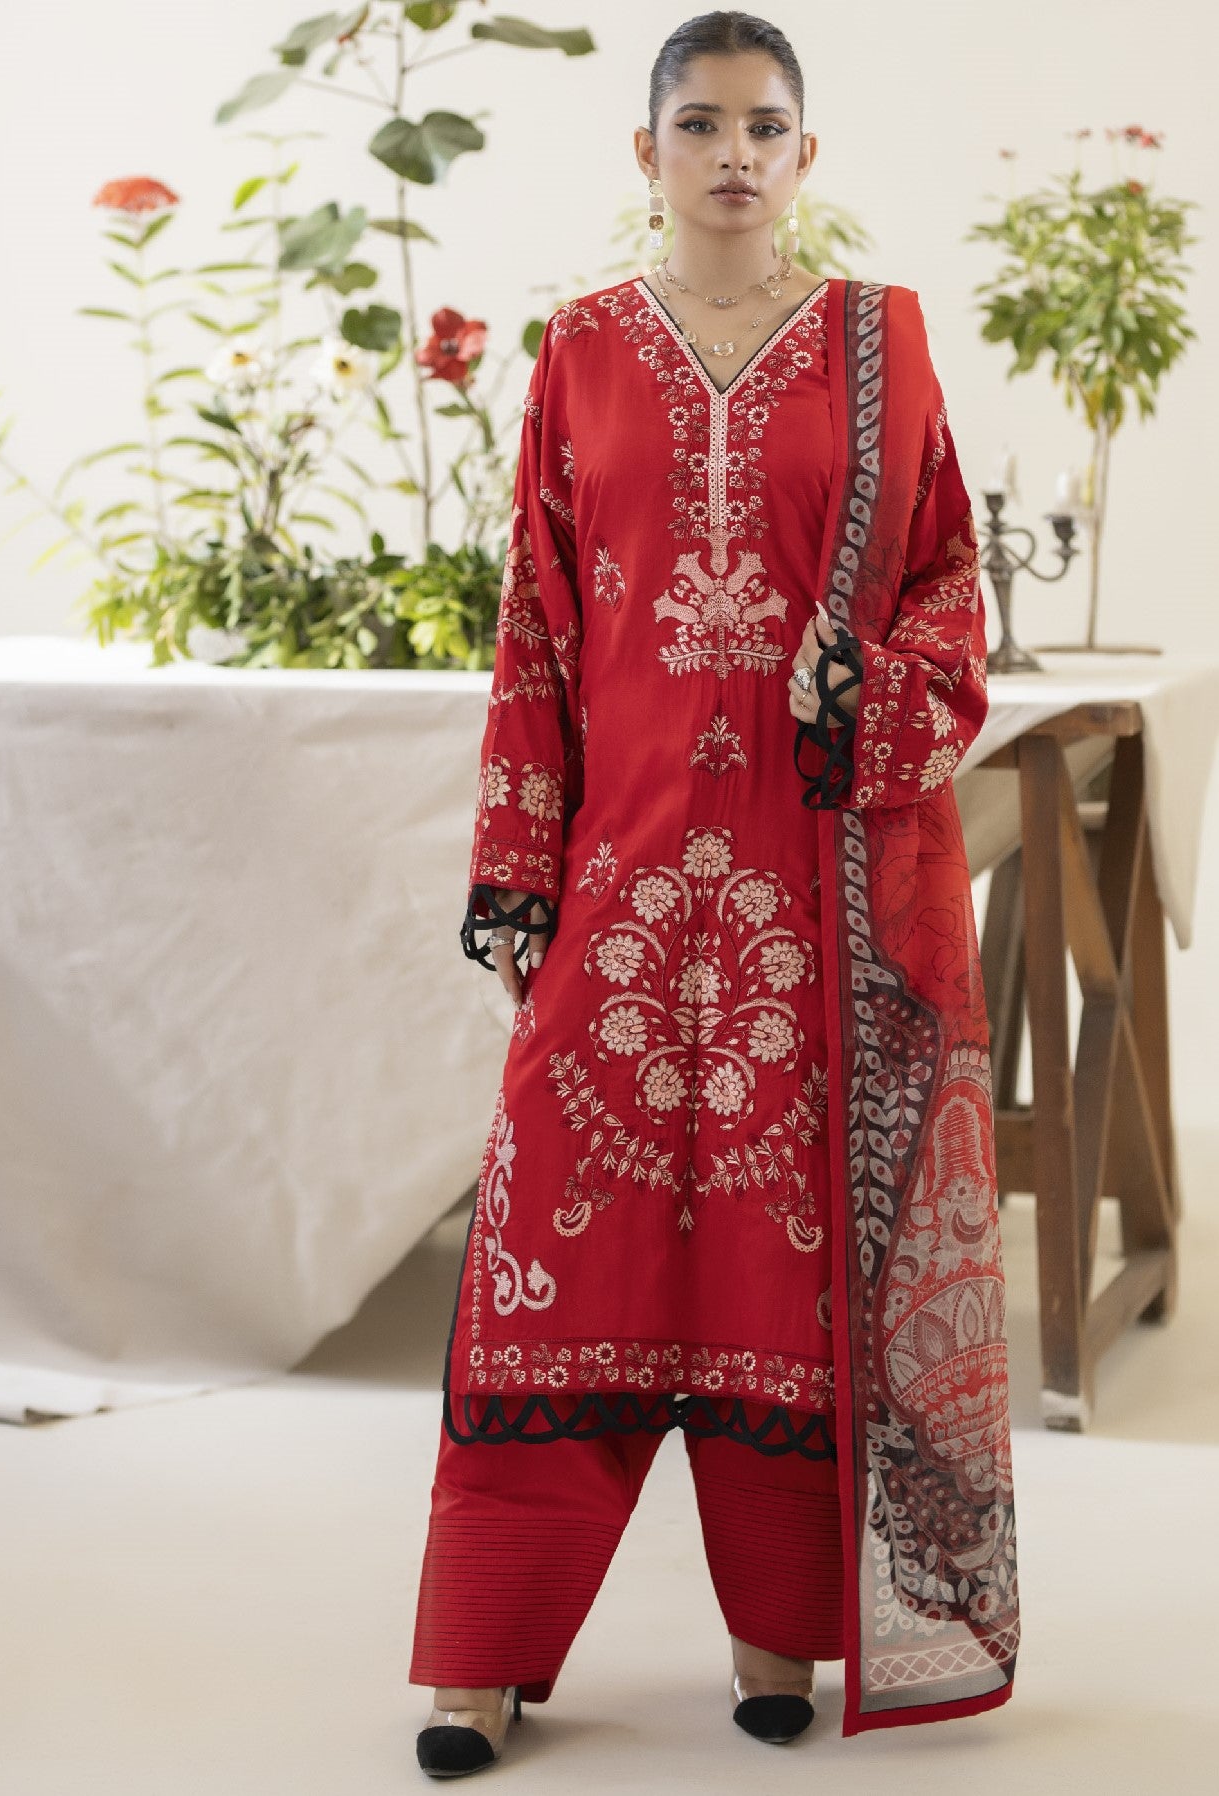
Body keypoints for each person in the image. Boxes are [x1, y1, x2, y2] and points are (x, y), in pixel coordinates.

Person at [410, 10, 1020, 1776]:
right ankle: (479, 1654)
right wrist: (517, 870)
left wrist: (877, 691)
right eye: (700, 124)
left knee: (784, 1258)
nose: (734, 152)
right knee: (550, 1245)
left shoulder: (880, 343)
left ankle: (778, 1638)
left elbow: (946, 590)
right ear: (646, 154)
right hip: (618, 886)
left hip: (812, 895)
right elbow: (534, 620)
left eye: (766, 125)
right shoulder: (583, 349)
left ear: (804, 157)